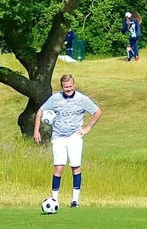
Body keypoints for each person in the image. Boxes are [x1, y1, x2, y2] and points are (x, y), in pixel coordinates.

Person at [34, 74, 102, 209]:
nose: (68, 89)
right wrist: (36, 130)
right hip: (59, 137)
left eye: (70, 87)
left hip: (74, 137)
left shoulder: (82, 99)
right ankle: (54, 199)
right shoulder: (55, 99)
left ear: (74, 85)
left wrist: (87, 128)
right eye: (66, 88)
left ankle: (75, 200)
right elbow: (40, 111)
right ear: (62, 87)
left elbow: (97, 111)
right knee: (59, 167)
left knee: (75, 166)